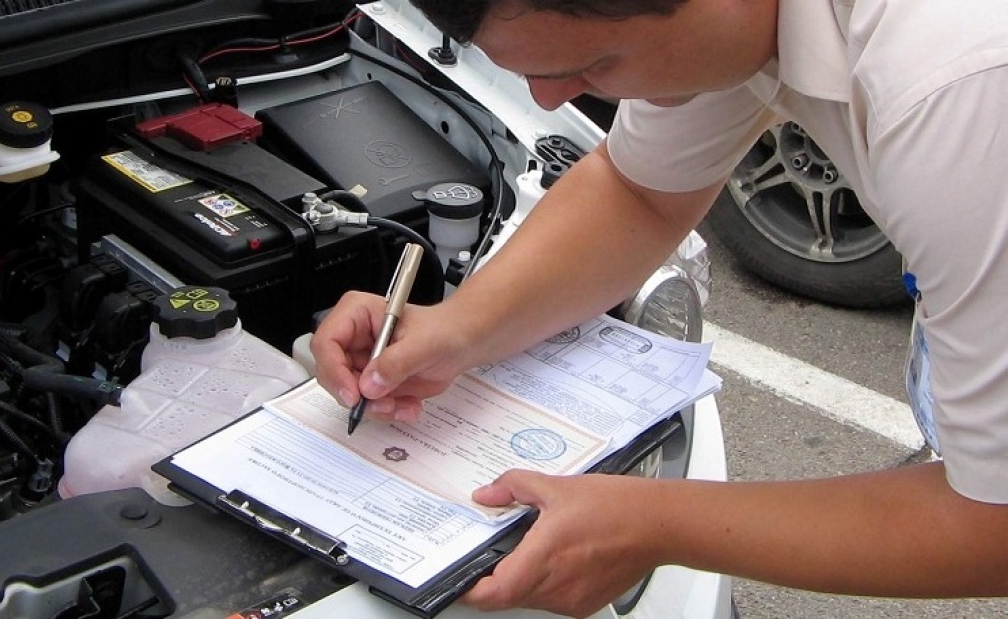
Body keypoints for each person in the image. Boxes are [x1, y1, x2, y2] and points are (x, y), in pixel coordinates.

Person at [310, 0, 1008, 616]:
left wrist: (653, 523)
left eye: (594, 63)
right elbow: (639, 192)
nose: (547, 101)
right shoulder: (722, 33)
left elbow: (994, 521)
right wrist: (455, 329)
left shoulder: (960, 89)